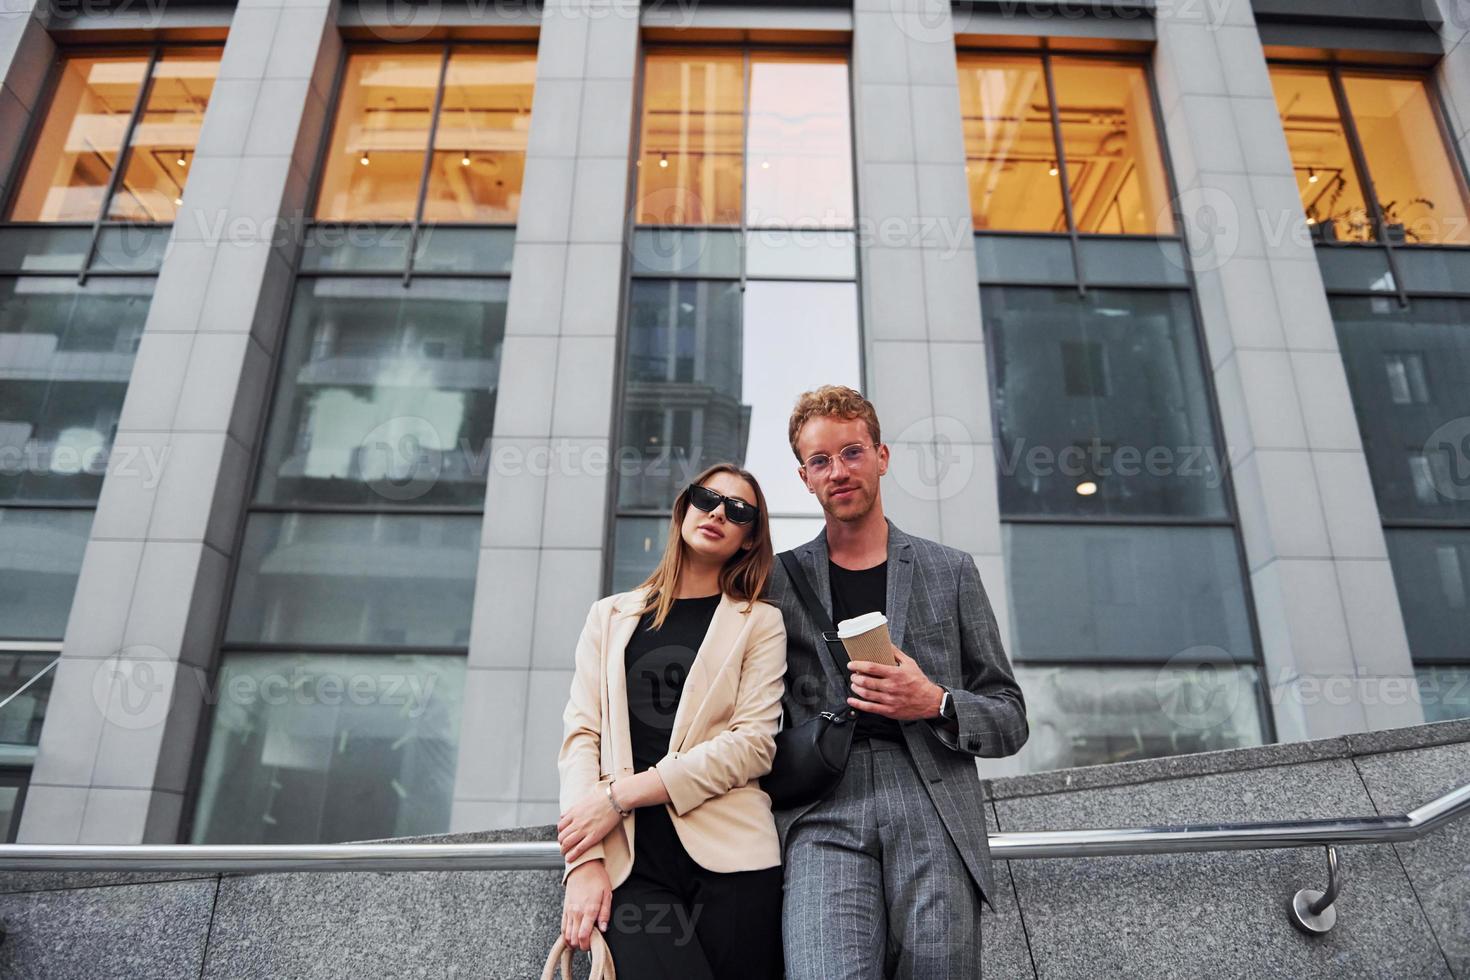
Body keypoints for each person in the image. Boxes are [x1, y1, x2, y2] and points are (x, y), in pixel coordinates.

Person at [768, 384, 1030, 979]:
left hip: (932, 798)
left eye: (853, 452)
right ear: (805, 477)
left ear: (881, 457)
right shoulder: (776, 582)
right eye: (821, 460)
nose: (839, 471)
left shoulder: (950, 569)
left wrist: (934, 701)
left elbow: (1010, 715)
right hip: (821, 810)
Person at [556, 463, 788, 979]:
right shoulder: (610, 617)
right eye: (707, 498)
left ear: (749, 540)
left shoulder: (760, 622)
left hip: (735, 859)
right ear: (684, 509)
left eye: (739, 510)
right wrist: (583, 862)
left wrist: (623, 795)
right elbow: (581, 739)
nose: (718, 513)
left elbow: (753, 745)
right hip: (630, 862)